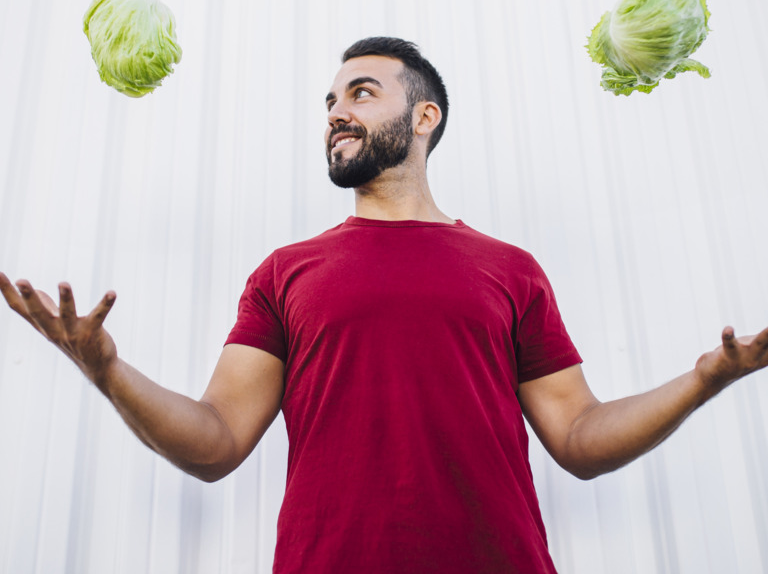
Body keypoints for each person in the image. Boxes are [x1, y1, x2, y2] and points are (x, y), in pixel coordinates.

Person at [1, 36, 766, 574]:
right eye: (330, 100)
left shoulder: (510, 271)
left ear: (424, 117)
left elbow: (579, 436)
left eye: (361, 94)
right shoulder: (285, 273)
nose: (337, 112)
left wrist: (705, 379)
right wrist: (107, 370)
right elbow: (216, 441)